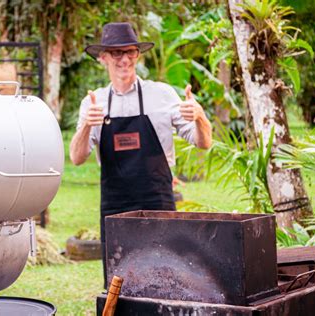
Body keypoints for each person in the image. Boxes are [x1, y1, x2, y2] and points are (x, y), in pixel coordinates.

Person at [69, 22, 212, 287]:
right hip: (115, 205)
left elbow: (202, 142)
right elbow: (77, 158)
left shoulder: (162, 94)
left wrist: (201, 118)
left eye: (130, 52)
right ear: (103, 58)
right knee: (118, 279)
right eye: (116, 53)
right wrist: (88, 123)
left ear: (137, 55)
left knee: (167, 274)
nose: (124, 59)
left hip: (156, 199)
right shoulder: (93, 102)